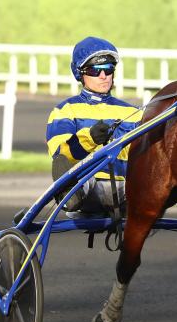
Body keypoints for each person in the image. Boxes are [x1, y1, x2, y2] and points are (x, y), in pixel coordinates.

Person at [46, 36, 142, 215]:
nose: (103, 76)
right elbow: (60, 155)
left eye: (108, 69)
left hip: (126, 189)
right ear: (80, 73)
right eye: (95, 71)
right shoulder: (64, 111)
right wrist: (89, 139)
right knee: (77, 174)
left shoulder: (135, 112)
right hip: (87, 188)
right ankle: (70, 194)